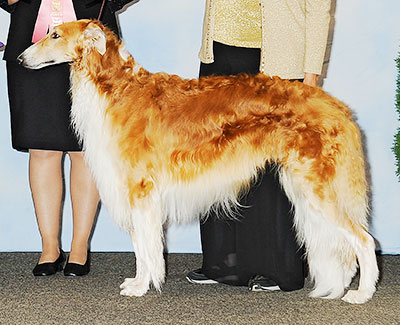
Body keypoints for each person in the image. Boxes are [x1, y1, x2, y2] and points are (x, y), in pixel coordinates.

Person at [186, 0, 331, 291]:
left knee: (271, 167)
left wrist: (311, 74)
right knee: (217, 160)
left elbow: (319, 7)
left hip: (277, 60)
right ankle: (223, 262)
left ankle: (276, 267)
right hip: (219, 54)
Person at [0, 0, 135, 277]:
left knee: (85, 151)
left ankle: (79, 247)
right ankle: (49, 247)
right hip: (31, 40)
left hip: (89, 44)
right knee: (41, 148)